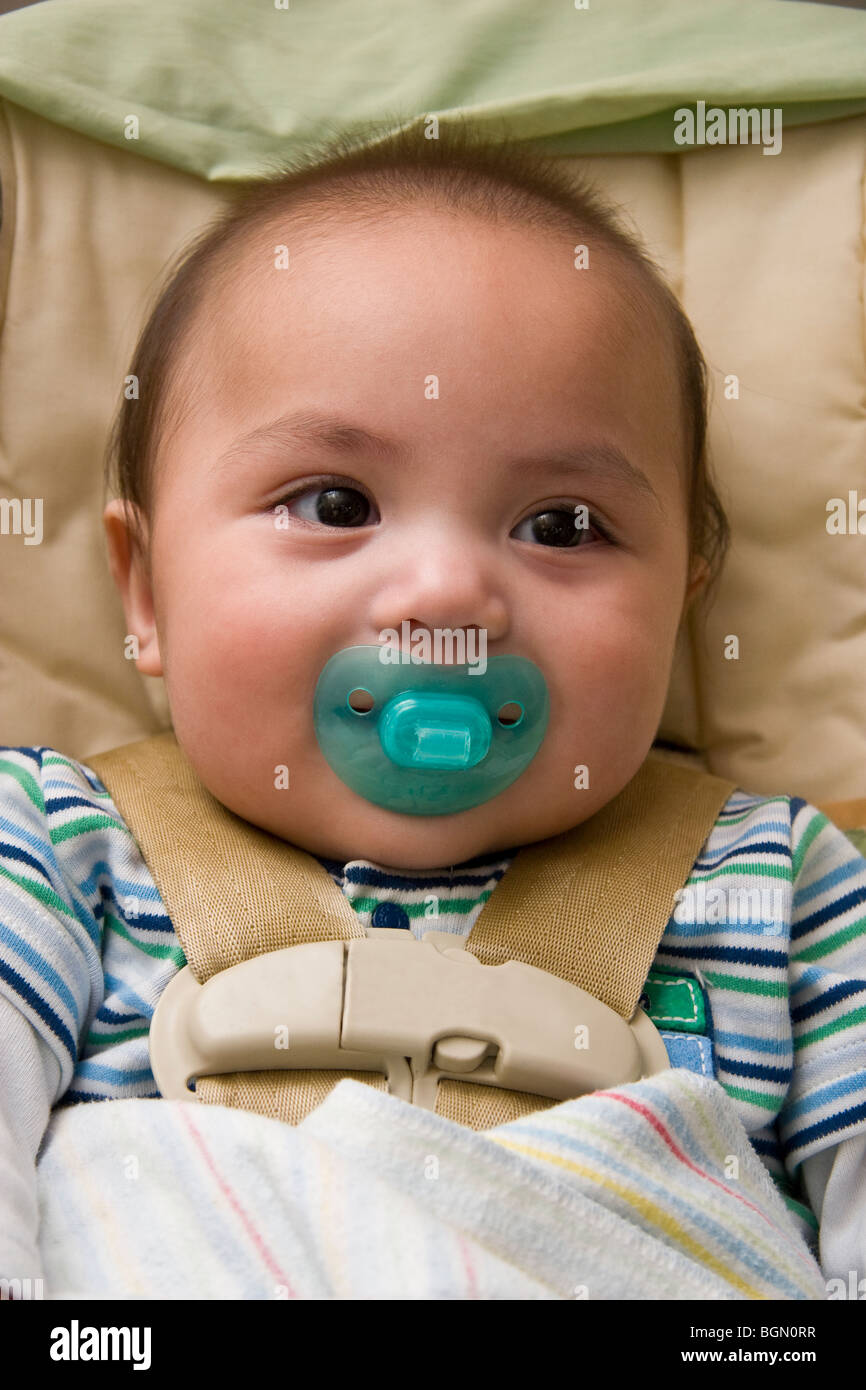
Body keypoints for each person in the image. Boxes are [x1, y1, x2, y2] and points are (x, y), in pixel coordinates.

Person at [1, 120, 863, 1292]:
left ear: (677, 607)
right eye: (334, 501)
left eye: (561, 525)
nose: (448, 591)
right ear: (146, 591)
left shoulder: (793, 888)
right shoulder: (54, 849)